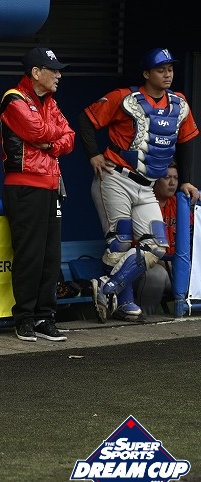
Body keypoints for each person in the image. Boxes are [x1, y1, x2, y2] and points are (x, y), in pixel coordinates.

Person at [78, 47, 200, 323]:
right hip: (116, 178)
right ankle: (125, 302)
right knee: (120, 242)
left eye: (170, 69)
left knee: (157, 245)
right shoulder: (124, 97)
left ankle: (107, 287)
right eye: (161, 70)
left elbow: (187, 140)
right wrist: (93, 154)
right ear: (146, 73)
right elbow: (86, 118)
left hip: (147, 186)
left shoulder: (179, 103)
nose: (167, 74)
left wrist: (187, 180)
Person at [0, 47, 75, 342]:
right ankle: (24, 318)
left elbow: (69, 138)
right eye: (53, 70)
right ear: (36, 72)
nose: (58, 75)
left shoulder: (50, 102)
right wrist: (50, 136)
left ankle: (45, 317)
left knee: (50, 257)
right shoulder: (14, 98)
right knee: (29, 256)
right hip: (24, 186)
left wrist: (51, 144)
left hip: (51, 185)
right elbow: (37, 132)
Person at [134, 160, 191, 315]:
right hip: (147, 268)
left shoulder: (180, 204)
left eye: (175, 178)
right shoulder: (143, 204)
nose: (172, 183)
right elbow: (138, 249)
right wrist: (168, 264)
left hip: (177, 269)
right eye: (167, 178)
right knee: (157, 275)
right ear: (156, 180)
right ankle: (144, 318)